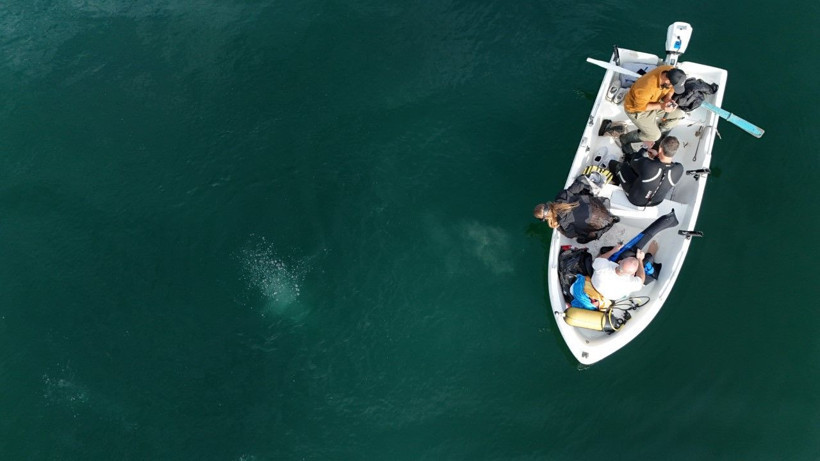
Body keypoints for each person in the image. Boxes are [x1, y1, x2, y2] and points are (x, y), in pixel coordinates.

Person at [616, 66, 687, 150]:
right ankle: (624, 139)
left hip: (655, 101)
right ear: (667, 81)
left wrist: (668, 99)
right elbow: (639, 107)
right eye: (674, 86)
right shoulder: (645, 88)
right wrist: (661, 106)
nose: (674, 88)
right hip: (637, 110)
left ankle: (655, 132)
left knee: (679, 115)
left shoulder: (670, 70)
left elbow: (671, 89)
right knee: (655, 136)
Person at [534, 174, 618, 243]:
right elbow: (578, 185)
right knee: (580, 196)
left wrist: (559, 227)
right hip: (598, 205)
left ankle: (610, 222)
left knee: (580, 238)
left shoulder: (562, 221)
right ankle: (609, 217)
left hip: (599, 222)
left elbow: (571, 234)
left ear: (546, 217)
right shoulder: (561, 196)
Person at [612, 136, 684, 207]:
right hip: (656, 202)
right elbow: (665, 166)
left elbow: (633, 161)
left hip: (636, 200)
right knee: (644, 175)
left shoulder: (648, 165)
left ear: (660, 149)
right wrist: (657, 157)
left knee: (618, 165)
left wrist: (645, 147)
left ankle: (615, 180)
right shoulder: (680, 169)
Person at [591, 241, 659, 301]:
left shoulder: (603, 266)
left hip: (595, 285)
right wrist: (640, 260)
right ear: (633, 274)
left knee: (605, 251)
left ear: (619, 261)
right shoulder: (631, 284)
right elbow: (641, 279)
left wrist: (614, 250)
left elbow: (599, 259)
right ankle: (651, 251)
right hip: (611, 297)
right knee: (646, 262)